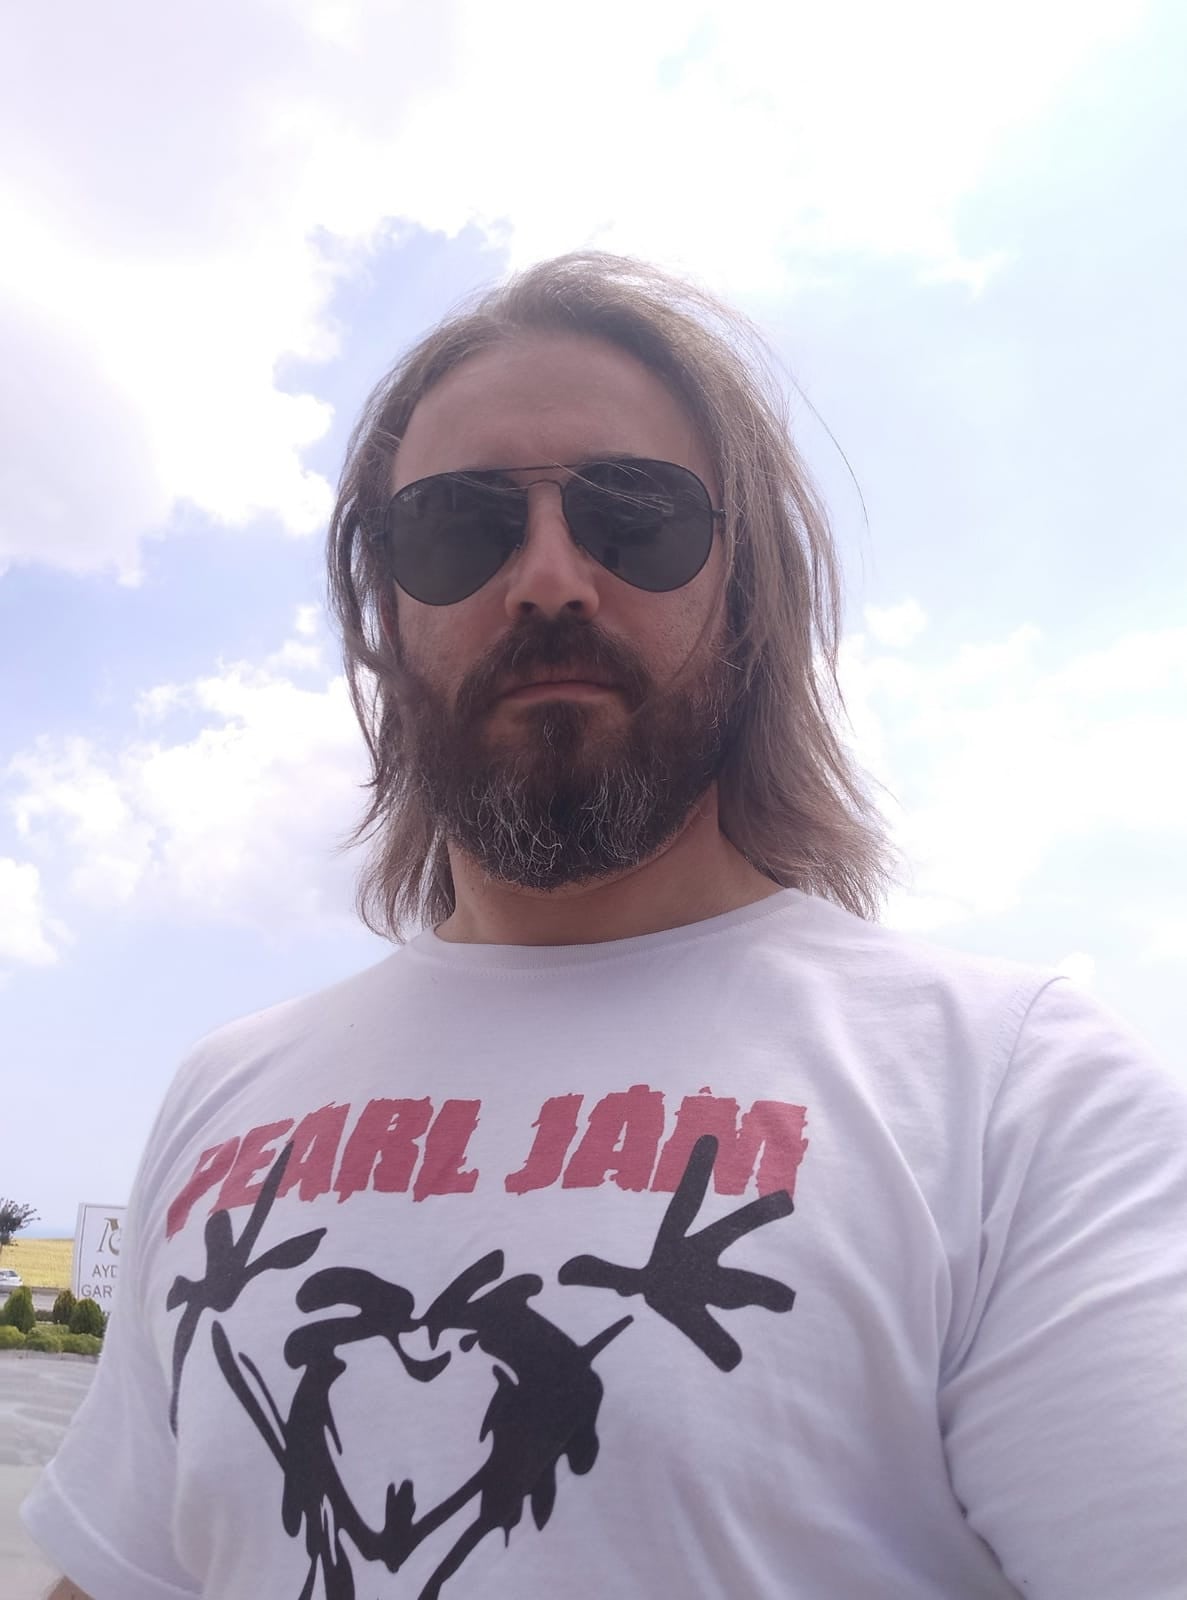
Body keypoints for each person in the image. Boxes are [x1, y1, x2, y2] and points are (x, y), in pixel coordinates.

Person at [24, 253, 1186, 1600]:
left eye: (635, 518)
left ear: (747, 595)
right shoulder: (227, 1098)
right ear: (382, 612)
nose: (550, 579)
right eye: (458, 528)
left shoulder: (1017, 1096)